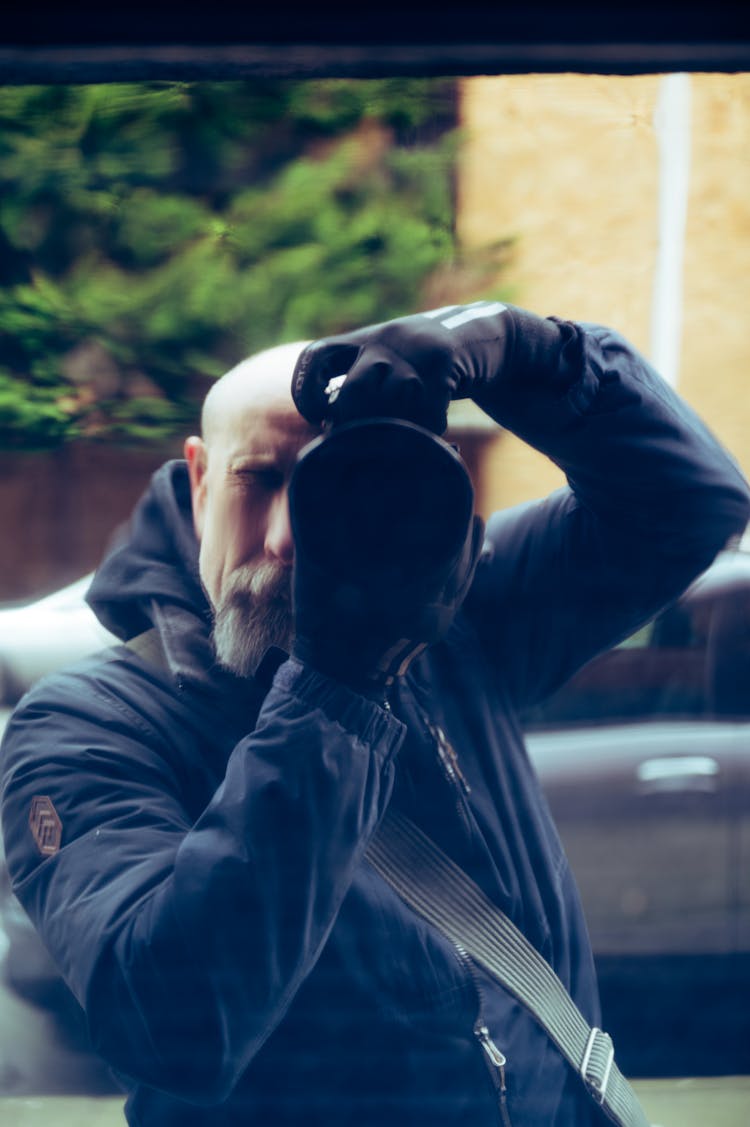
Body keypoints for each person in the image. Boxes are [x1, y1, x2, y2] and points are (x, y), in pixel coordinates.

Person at [2, 301, 749, 1127]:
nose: (291, 537)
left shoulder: (452, 623)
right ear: (200, 475)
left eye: (332, 483)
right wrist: (337, 691)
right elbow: (175, 1026)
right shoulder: (87, 726)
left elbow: (690, 504)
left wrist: (533, 355)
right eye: (261, 479)